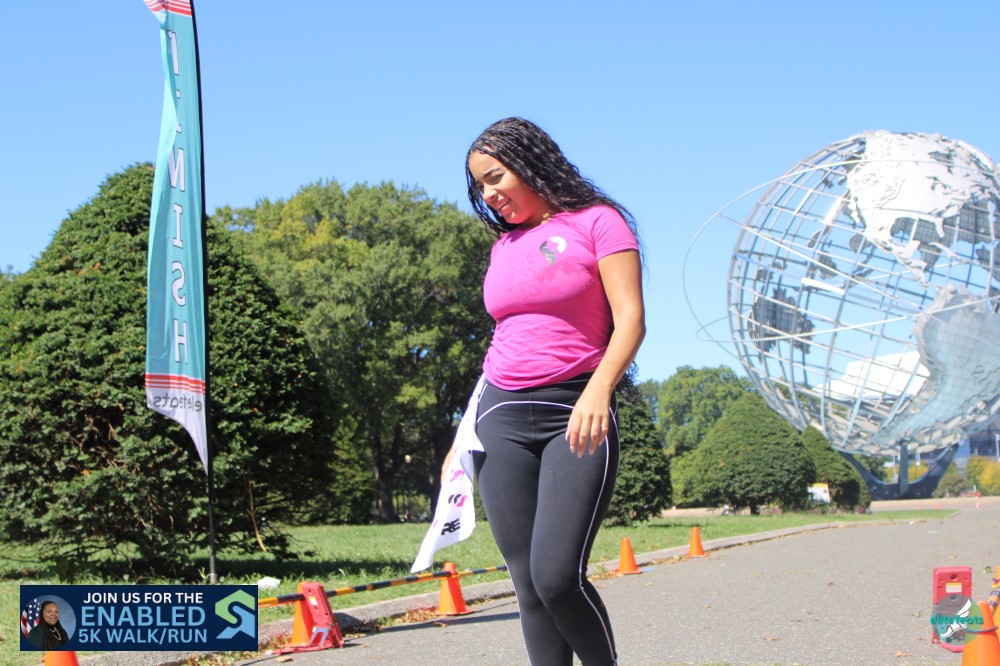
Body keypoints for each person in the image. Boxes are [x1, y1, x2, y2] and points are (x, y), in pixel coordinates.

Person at [456, 117, 645, 666]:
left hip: (576, 409)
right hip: (500, 416)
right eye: (480, 186)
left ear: (531, 164)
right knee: (528, 587)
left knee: (557, 578)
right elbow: (503, 340)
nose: (490, 194)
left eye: (496, 177)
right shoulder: (504, 246)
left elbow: (631, 320)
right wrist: (463, 432)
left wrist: (599, 390)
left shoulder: (599, 222)